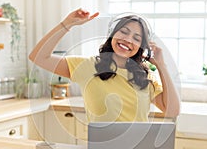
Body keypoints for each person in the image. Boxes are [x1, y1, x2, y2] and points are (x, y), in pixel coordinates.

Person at [29, 8, 180, 122]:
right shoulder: (87, 66)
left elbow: (172, 111)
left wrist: (162, 65)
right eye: (124, 32)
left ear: (141, 47)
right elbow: (38, 57)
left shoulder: (145, 76)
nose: (128, 40)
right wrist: (67, 24)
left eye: (136, 38)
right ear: (112, 34)